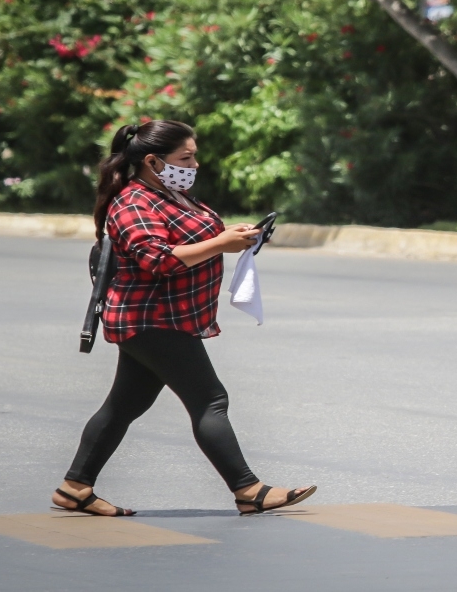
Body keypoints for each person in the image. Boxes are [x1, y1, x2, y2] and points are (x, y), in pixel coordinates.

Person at [50, 120, 316, 517]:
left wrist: (234, 236)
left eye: (193, 157)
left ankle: (75, 487)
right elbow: (156, 258)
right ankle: (249, 489)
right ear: (153, 161)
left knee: (123, 406)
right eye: (184, 158)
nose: (193, 165)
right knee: (211, 400)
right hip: (152, 318)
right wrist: (221, 243)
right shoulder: (134, 202)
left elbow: (193, 238)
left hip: (170, 316)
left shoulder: (171, 194)